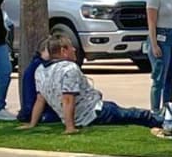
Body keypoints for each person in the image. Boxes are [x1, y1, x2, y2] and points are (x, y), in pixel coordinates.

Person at [22, 34, 160, 133]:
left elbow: (40, 99)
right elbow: (68, 99)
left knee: (122, 110)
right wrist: (70, 128)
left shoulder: (40, 70)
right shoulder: (69, 69)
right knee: (136, 114)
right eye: (71, 47)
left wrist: (32, 124)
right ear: (64, 51)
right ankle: (167, 122)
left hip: (89, 111)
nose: (75, 49)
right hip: (93, 113)